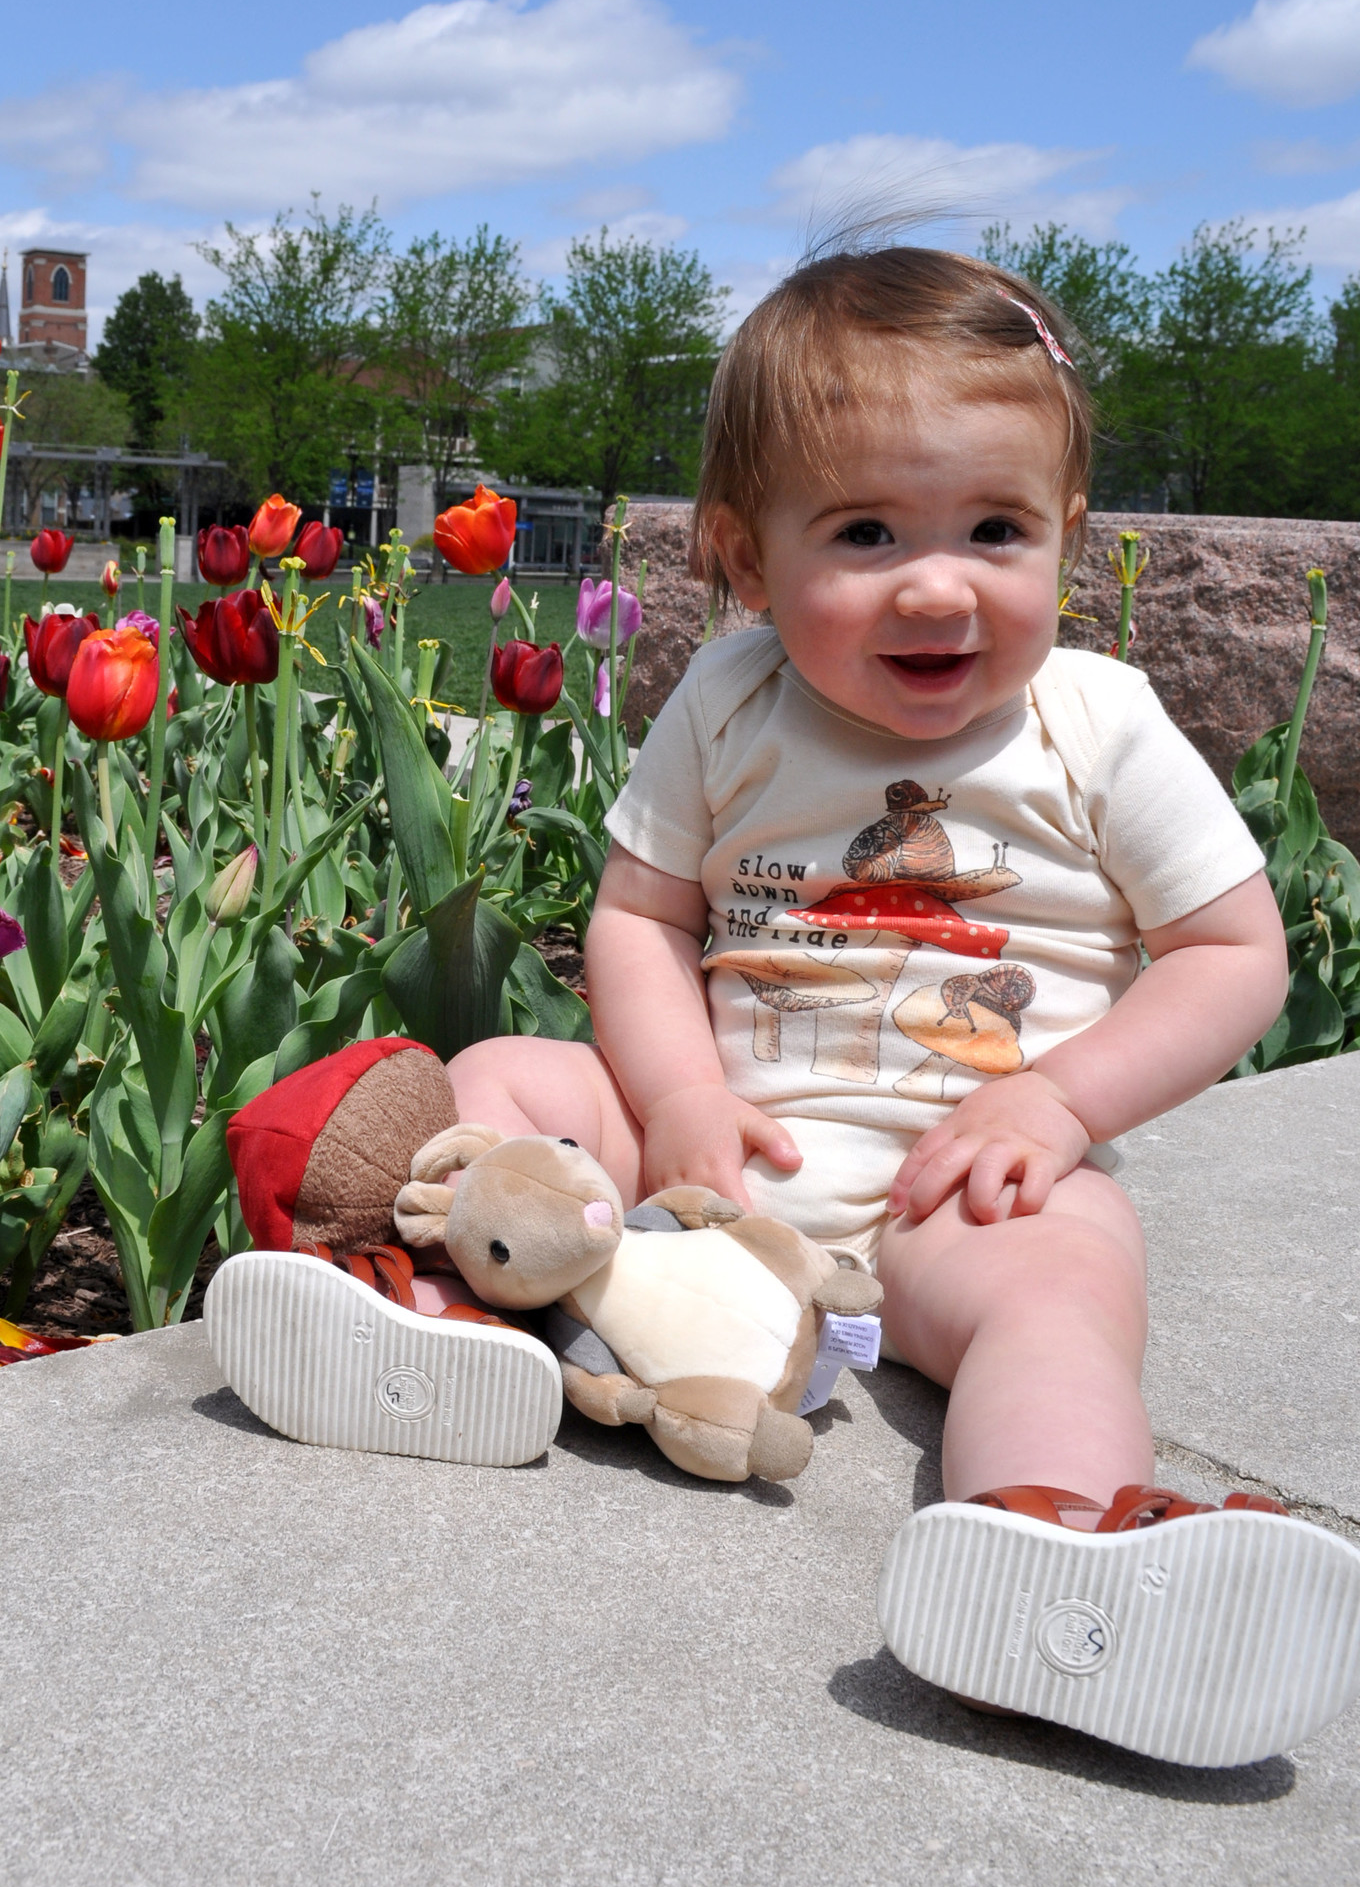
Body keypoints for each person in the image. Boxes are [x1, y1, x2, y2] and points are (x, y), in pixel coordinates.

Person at [444, 242, 1360, 1767]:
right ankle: (439, 1317)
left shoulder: (1095, 724)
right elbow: (642, 917)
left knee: (1060, 1301)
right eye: (866, 531)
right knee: (505, 1075)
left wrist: (1058, 1103)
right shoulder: (728, 699)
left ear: (1067, 536)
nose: (939, 583)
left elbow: (1231, 951)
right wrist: (675, 1097)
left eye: (996, 528)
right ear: (745, 557)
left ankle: (1051, 1555)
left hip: (961, 1187)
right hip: (710, 1159)